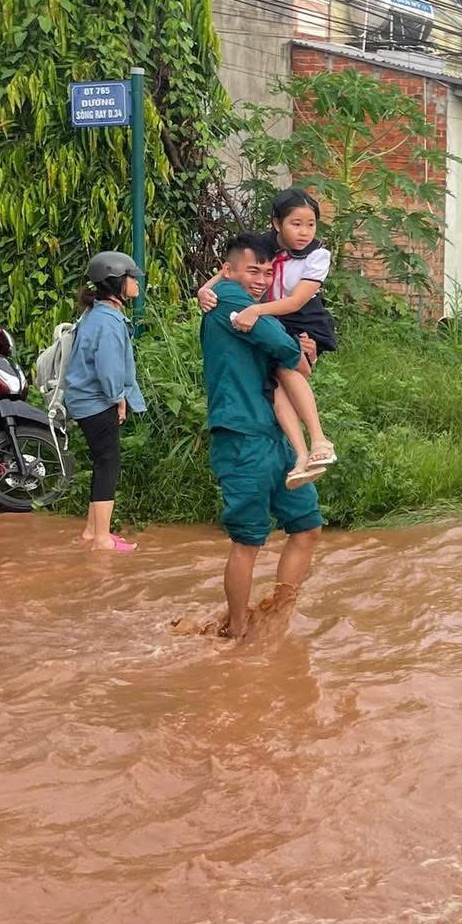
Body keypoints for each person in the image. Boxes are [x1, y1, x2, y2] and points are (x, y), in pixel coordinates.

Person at [201, 234, 323, 640]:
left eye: (267, 272)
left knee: (306, 527)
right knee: (248, 541)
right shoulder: (232, 302)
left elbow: (290, 359)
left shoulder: (246, 305)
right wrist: (298, 351)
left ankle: (275, 615)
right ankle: (237, 632)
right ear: (229, 270)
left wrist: (298, 353)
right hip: (242, 437)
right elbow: (285, 351)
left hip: (274, 437)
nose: (260, 280)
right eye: (253, 270)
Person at [198, 190, 337, 487]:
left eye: (310, 224)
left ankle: (320, 440)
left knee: (289, 367)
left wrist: (255, 310)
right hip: (273, 317)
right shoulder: (263, 244)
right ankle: (301, 456)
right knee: (274, 384)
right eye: (295, 224)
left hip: (302, 318)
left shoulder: (318, 254)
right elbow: (229, 270)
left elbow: (297, 302)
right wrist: (204, 289)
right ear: (276, 223)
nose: (304, 232)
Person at [63, 250, 146, 554]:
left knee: (102, 463)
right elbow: (108, 369)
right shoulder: (108, 322)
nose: (136, 283)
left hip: (86, 402)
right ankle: (101, 539)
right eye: (131, 278)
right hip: (96, 403)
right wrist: (118, 400)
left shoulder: (96, 314)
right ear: (116, 284)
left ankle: (91, 532)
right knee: (108, 464)